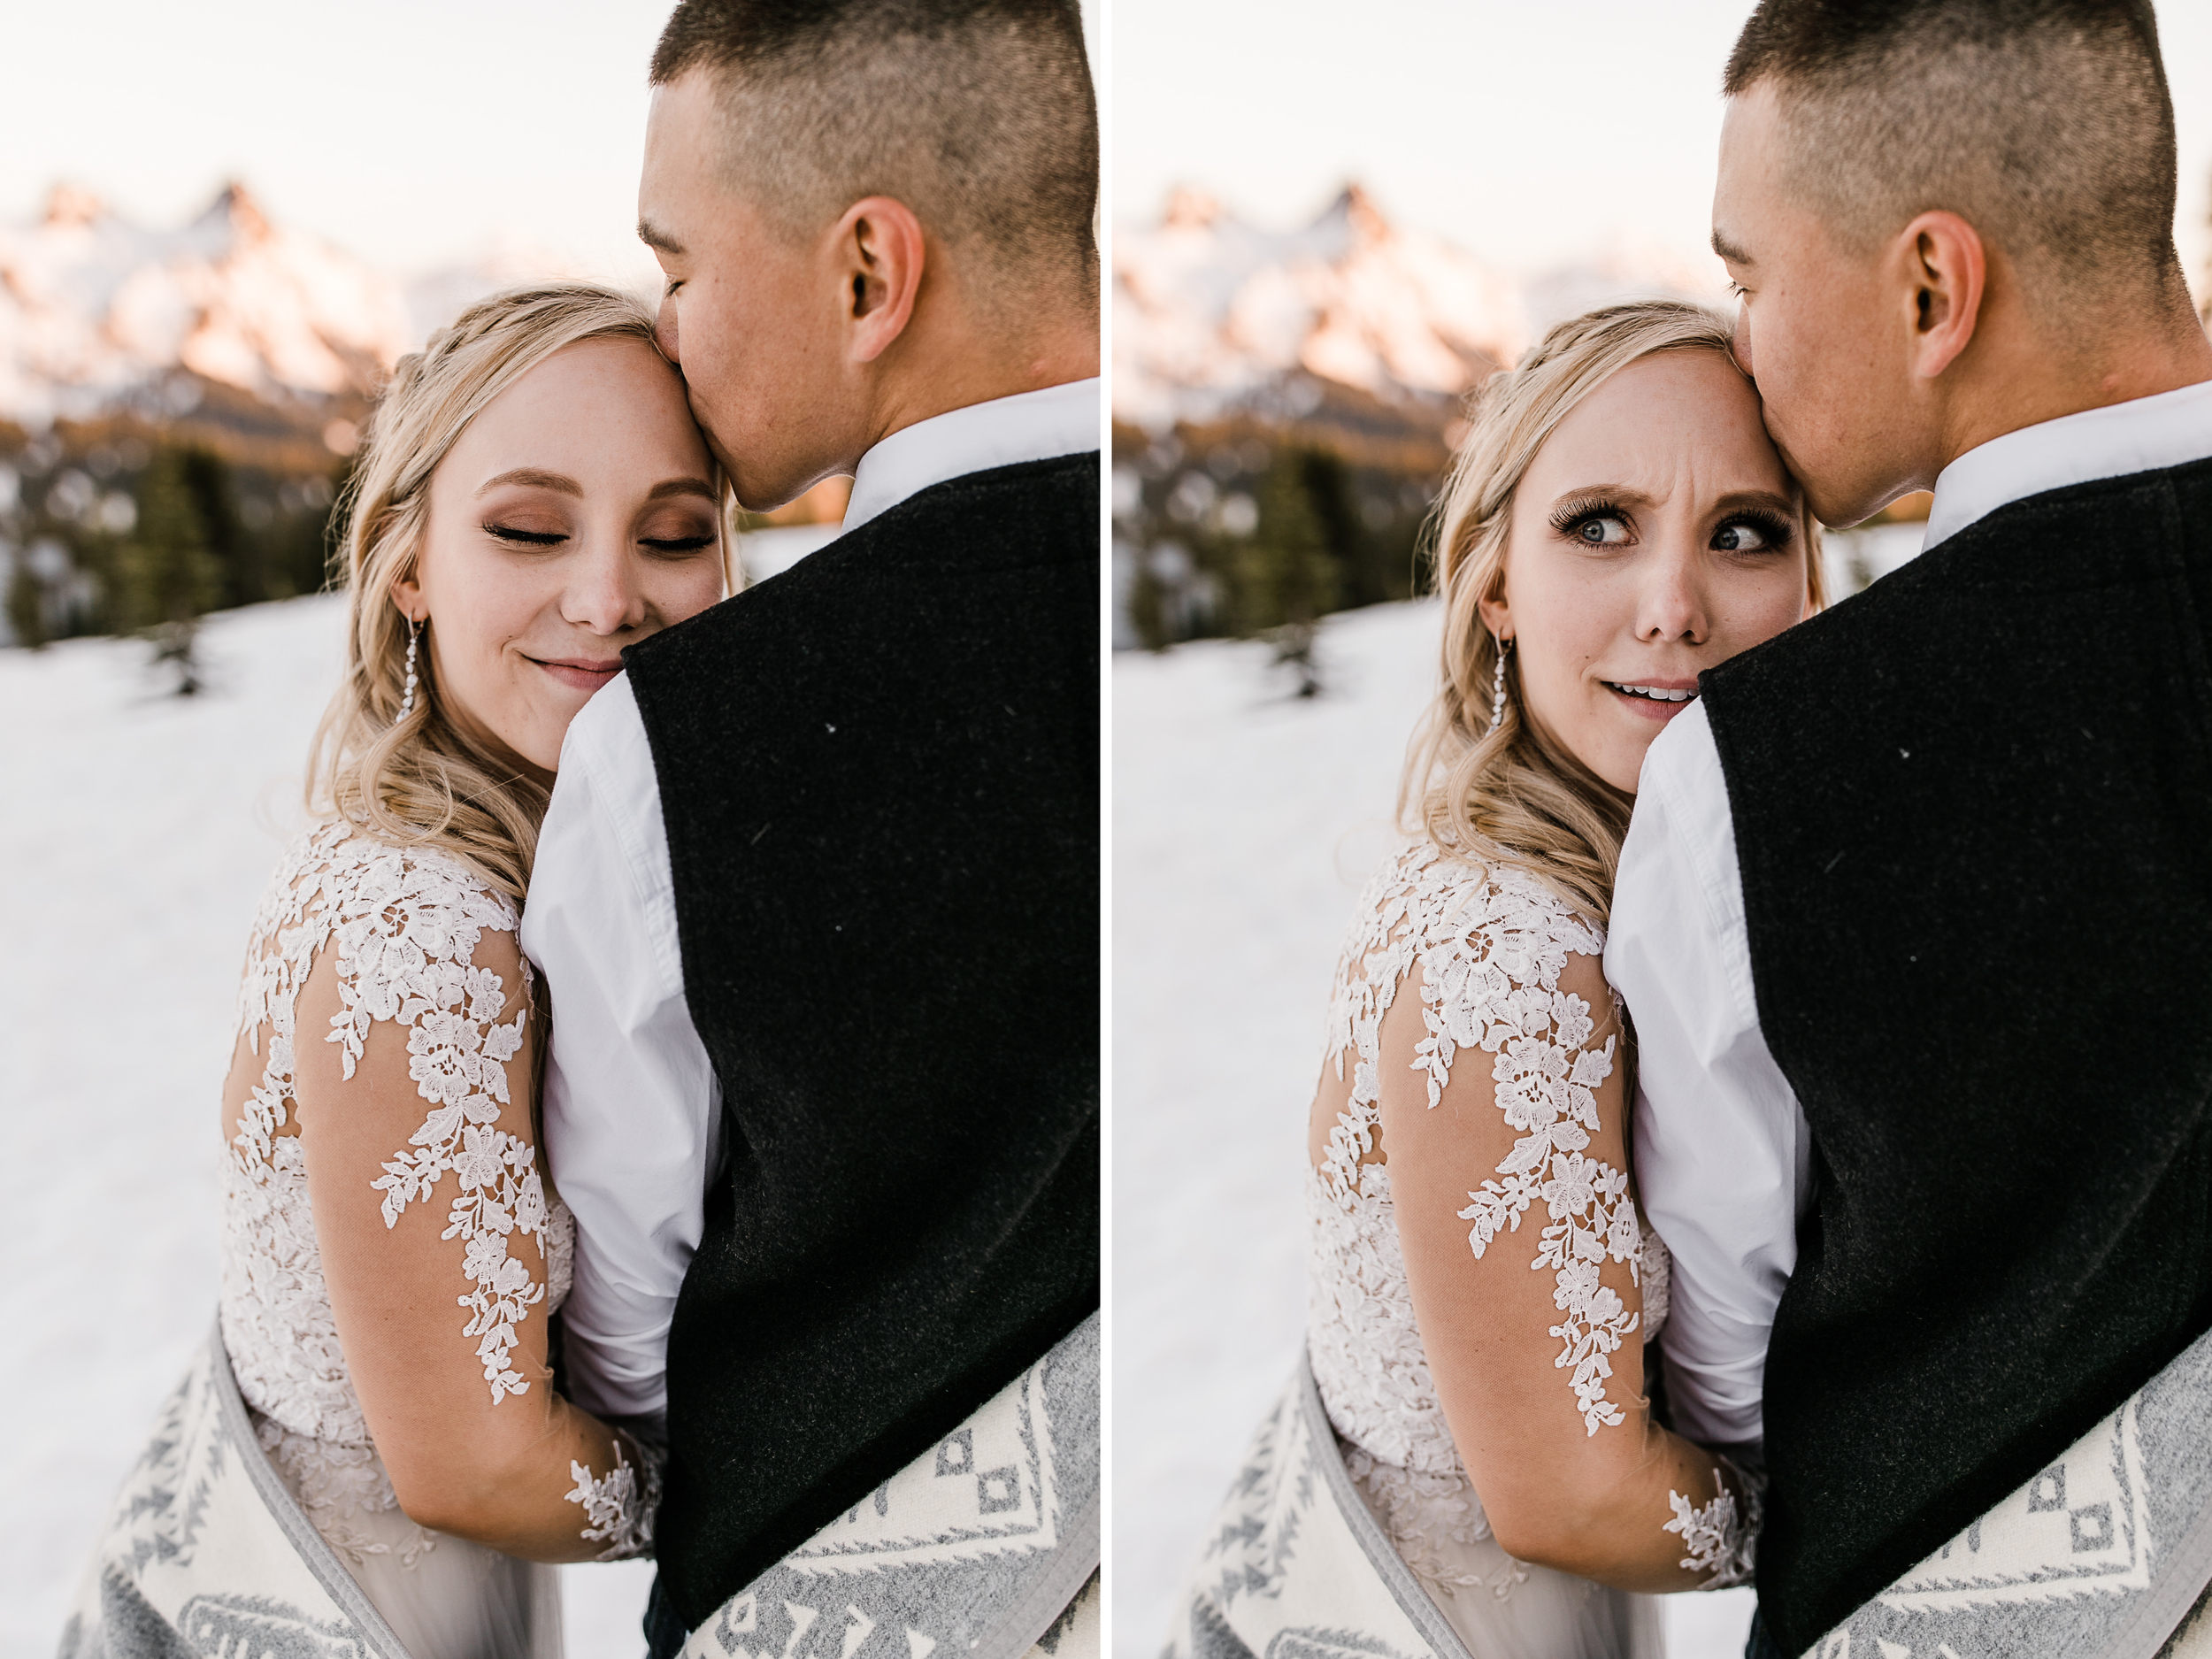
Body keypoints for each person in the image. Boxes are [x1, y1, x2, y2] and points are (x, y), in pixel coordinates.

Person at [1605, 3, 2212, 1655]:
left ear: (1932, 292)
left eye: (1751, 277)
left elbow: (1718, 1376)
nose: (1743, 341)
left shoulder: (1756, 771)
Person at [516, 3, 1102, 1655]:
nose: (666, 319)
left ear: (867, 278)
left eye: (682, 263)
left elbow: (619, 1340)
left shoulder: (680, 735)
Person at [61, 283, 734, 1657]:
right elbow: (473, 1466)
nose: (609, 595)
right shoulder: (419, 928)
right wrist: (806, 1490)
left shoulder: (513, 857)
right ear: (408, 561)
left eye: (674, 534)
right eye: (530, 528)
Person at [1168, 300, 1827, 1659]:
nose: (1676, 605)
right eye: (1600, 523)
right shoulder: (1511, 952)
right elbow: (1575, 1501)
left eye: (1743, 532)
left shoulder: (1628, 872)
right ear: (1497, 582)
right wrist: (1917, 1504)